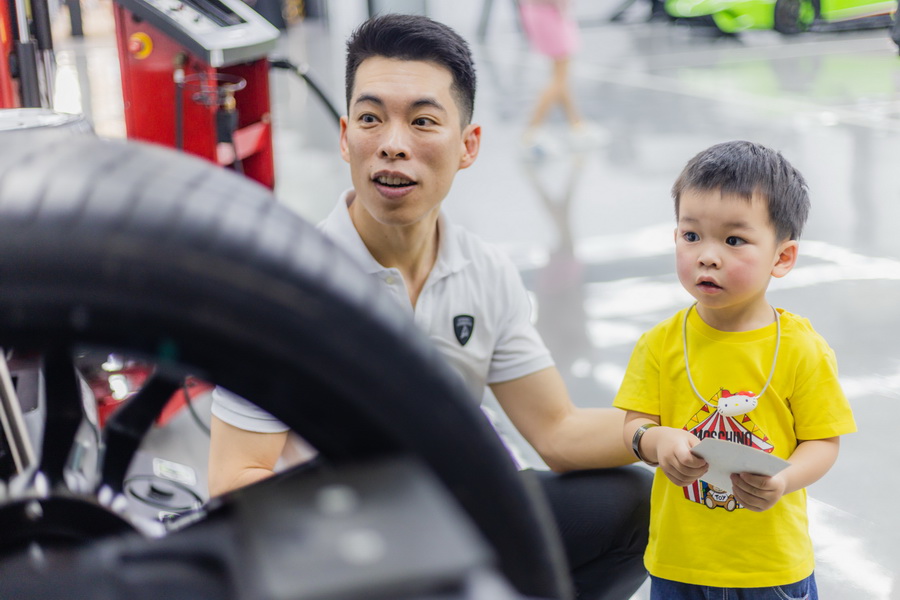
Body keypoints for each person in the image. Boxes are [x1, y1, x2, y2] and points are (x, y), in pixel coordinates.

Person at [208, 13, 651, 600]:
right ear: (345, 137)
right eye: (371, 119)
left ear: (467, 145)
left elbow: (557, 429)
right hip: (338, 540)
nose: (393, 144)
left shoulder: (483, 270)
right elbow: (234, 481)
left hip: (457, 509)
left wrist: (668, 430)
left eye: (422, 121)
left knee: (634, 503)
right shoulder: (285, 285)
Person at [613, 140, 857, 599]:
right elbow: (635, 424)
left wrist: (783, 480)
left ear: (782, 257)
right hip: (678, 567)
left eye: (734, 240)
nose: (707, 256)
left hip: (771, 571)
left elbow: (822, 441)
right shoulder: (660, 343)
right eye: (691, 235)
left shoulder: (801, 348)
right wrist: (656, 440)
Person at [518, 0, 604, 157]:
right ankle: (532, 132)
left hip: (540, 12)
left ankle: (577, 125)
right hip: (548, 13)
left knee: (560, 76)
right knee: (559, 77)